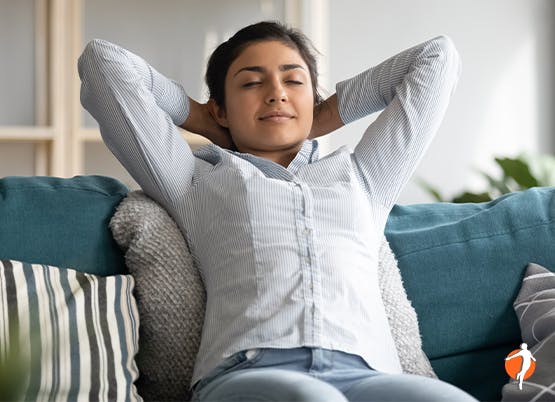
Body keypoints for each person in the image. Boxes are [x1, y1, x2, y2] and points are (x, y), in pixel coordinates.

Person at [79, 20, 476, 402]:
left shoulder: (365, 177)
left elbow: (437, 58)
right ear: (222, 109)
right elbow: (103, 63)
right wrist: (199, 116)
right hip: (249, 371)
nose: (276, 93)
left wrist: (326, 114)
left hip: (368, 374)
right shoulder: (193, 181)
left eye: (294, 80)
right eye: (251, 82)